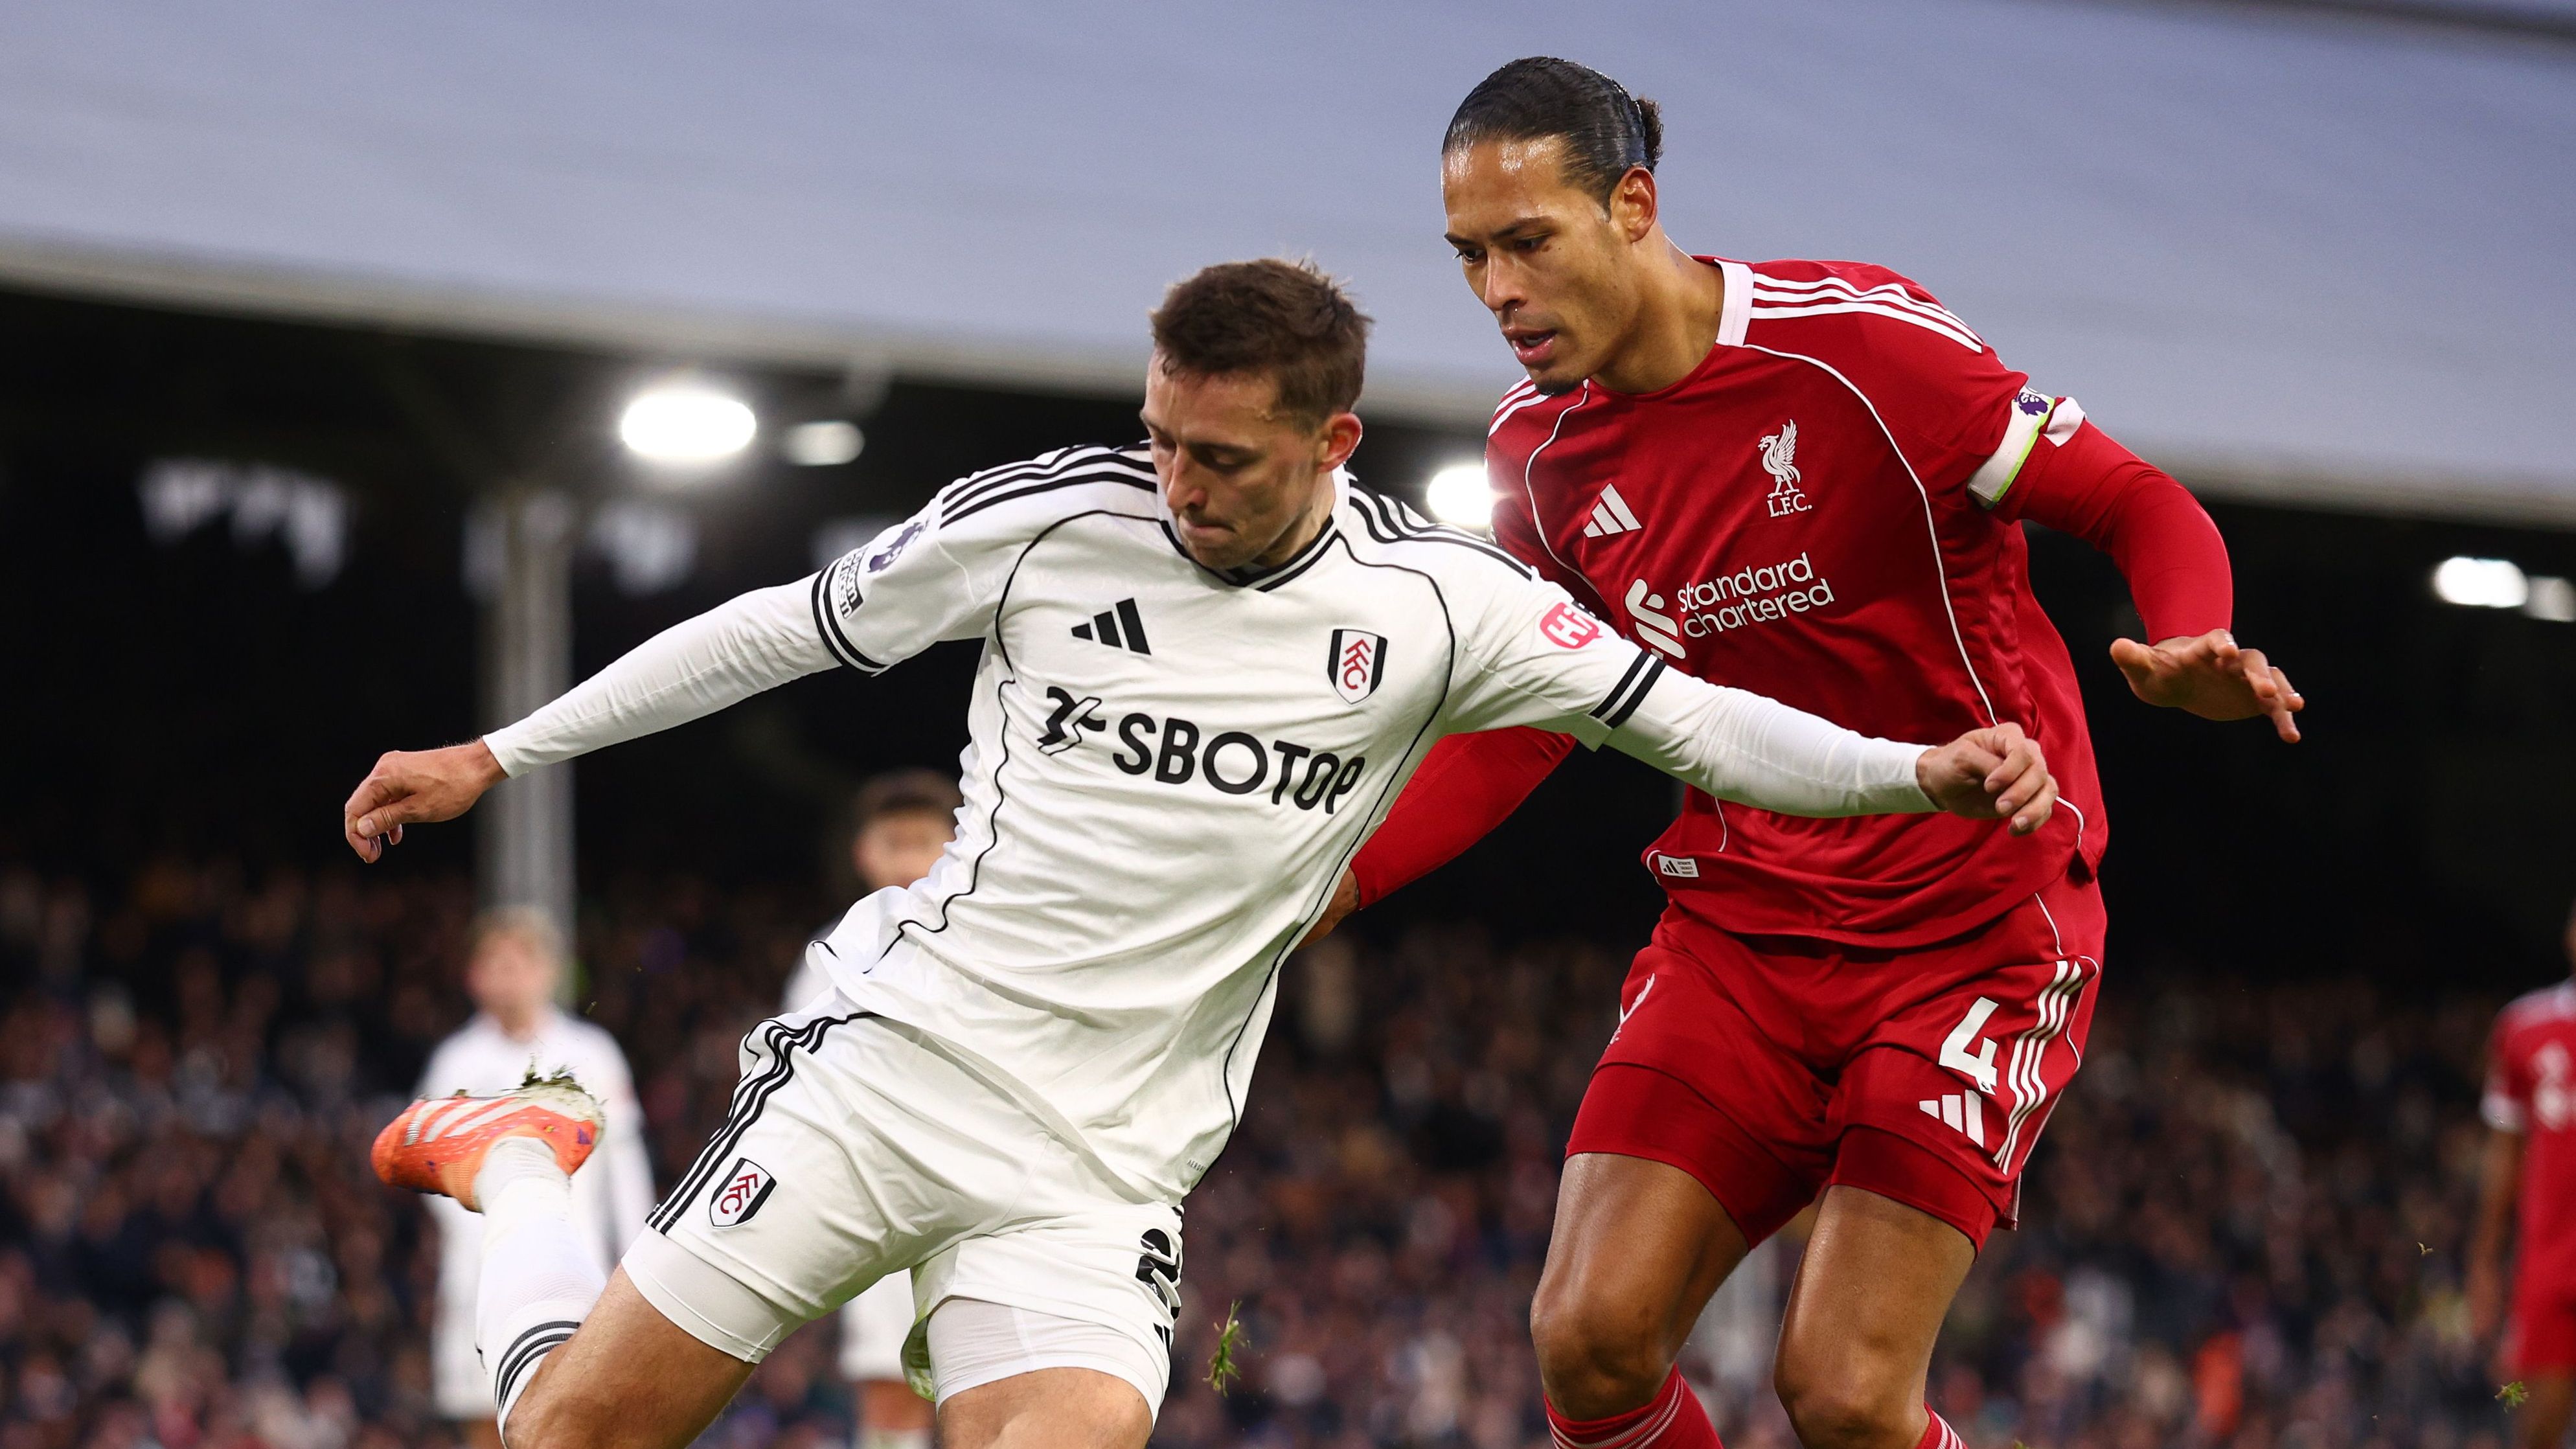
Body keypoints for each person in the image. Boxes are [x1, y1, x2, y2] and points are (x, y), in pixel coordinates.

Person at [343, 258, 2060, 1449]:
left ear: (1332, 444)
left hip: (1101, 1165)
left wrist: (1922, 770)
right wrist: (498, 748)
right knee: (564, 1428)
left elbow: (1694, 721)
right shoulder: (1046, 526)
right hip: (892, 1072)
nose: (1177, 481)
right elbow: (773, 633)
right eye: (1162, 433)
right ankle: (515, 1168)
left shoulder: (1439, 606)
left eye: (1221, 455)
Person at [1328, 59, 2306, 1449]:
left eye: (1525, 241)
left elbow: (2132, 499)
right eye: (1468, 255)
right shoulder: (1537, 455)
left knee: (1843, 1393)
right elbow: (1537, 718)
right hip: (1738, 924)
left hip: (1971, 920)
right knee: (1587, 1339)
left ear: (1630, 205)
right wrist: (1335, 883)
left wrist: (2186, 642)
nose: (1495, 289)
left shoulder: (1858, 348)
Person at [418, 909, 655, 1449]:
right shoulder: (456, 1061)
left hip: (575, 1265)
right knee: (486, 1417)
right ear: (473, 974)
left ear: (551, 970)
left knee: (574, 1417)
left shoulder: (591, 1053)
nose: (509, 974)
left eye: (521, 960)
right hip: (478, 1271)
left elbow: (624, 1164)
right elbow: (432, 1175)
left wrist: (636, 1256)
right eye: (495, 962)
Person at [781, 771, 966, 1449]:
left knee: (992, 1381)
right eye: (895, 841)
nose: (911, 856)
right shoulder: (829, 955)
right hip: (879, 1190)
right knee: (890, 1388)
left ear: (958, 841)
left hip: (982, 1181)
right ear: (864, 852)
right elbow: (800, 1077)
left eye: (925, 839)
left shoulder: (995, 938)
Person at [2470, 900, 2576, 1449]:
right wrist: (2484, 1260)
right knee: (2537, 1426)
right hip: (2551, 1260)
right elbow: (2503, 1154)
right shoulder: (2524, 1027)